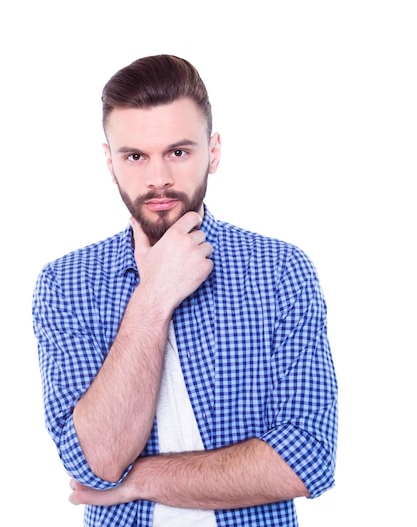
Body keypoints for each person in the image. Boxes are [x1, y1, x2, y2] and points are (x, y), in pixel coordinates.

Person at [32, 54, 338, 527]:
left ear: (213, 152)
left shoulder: (279, 271)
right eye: (135, 156)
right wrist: (153, 297)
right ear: (109, 162)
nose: (158, 179)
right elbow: (98, 461)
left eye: (178, 152)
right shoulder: (66, 284)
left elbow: (309, 457)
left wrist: (138, 481)